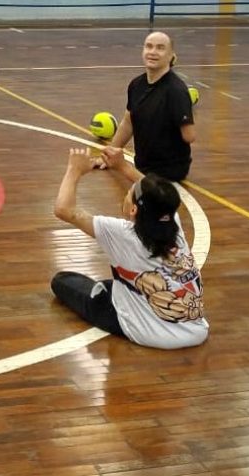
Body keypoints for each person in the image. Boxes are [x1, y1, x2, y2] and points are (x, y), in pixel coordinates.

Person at [50, 146, 208, 349]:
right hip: (196, 331)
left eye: (128, 193)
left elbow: (64, 210)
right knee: (117, 284)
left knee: (63, 281)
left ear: (133, 209)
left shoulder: (121, 233)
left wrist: (74, 170)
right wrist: (122, 166)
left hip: (150, 334)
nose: (127, 193)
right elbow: (156, 194)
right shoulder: (171, 221)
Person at [106, 31, 195, 182]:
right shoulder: (136, 84)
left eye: (160, 48)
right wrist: (109, 154)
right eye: (149, 46)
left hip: (169, 172)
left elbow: (189, 135)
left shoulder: (176, 91)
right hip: (142, 166)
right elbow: (128, 123)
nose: (153, 52)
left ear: (171, 55)